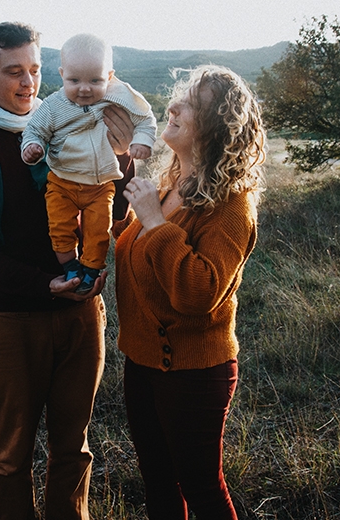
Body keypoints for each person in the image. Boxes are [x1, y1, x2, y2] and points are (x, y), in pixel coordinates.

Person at [0, 21, 136, 520]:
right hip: (12, 321)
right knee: (11, 457)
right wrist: (43, 284)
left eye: (36, 69)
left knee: (75, 449)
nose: (28, 84)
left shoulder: (74, 123)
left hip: (81, 316)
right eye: (13, 72)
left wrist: (120, 158)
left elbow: (113, 217)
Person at [114, 65, 266, 519]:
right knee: (159, 486)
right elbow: (139, 251)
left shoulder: (231, 206)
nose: (173, 106)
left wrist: (156, 224)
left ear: (217, 127)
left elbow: (198, 293)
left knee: (201, 488)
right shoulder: (170, 185)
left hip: (194, 372)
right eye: (178, 97)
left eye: (190, 104)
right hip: (142, 363)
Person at [21, 33, 157, 294]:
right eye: (74, 80)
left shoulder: (118, 96)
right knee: (60, 227)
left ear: (109, 75)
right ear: (62, 74)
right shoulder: (53, 106)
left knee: (98, 231)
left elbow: (145, 118)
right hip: (62, 181)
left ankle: (91, 269)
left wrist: (142, 141)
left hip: (101, 184)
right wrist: (32, 147)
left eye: (95, 80)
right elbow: (34, 130)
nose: (84, 88)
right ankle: (70, 265)